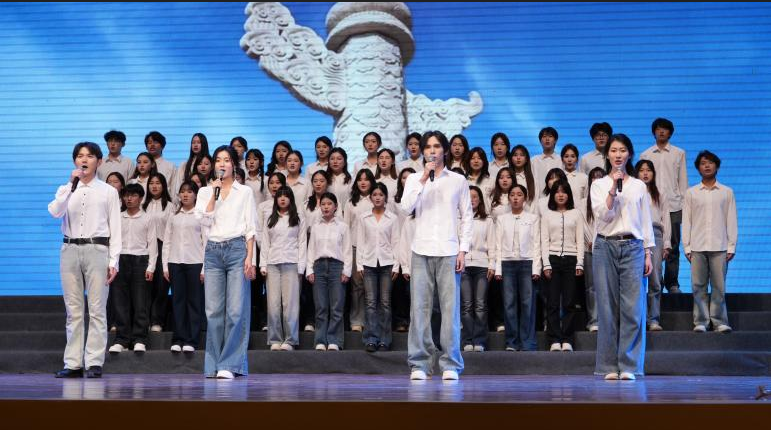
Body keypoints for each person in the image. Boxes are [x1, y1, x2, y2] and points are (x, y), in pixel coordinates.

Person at [400, 130, 473, 381]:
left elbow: (467, 216)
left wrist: (463, 249)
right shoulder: (414, 179)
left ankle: (450, 362)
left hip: (449, 250)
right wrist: (422, 179)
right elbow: (406, 208)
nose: (432, 150)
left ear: (445, 150)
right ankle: (419, 363)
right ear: (423, 151)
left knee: (450, 311)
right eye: (428, 147)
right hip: (421, 249)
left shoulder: (457, 180)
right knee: (419, 310)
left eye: (437, 146)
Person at [48, 142, 121, 378]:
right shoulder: (67, 189)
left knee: (97, 309)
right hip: (69, 248)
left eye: (89, 156)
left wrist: (114, 261)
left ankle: (94, 362)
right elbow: (55, 212)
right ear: (75, 161)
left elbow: (116, 228)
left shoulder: (108, 191)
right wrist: (71, 185)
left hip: (97, 249)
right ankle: (73, 363)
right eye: (80, 156)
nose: (84, 160)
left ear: (98, 161)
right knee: (73, 310)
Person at [590, 134, 654, 381]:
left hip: (634, 247)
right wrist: (612, 190)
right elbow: (603, 215)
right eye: (614, 150)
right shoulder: (599, 185)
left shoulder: (638, 185)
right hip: (605, 246)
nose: (618, 154)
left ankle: (629, 365)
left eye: (623, 150)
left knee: (633, 308)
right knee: (607, 308)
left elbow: (645, 221)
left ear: (629, 154)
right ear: (607, 155)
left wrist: (648, 252)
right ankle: (608, 365)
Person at [194, 145, 257, 379]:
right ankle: (214, 365)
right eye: (218, 160)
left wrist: (250, 257)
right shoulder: (205, 191)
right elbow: (203, 221)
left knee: (235, 310)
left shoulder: (245, 192)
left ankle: (230, 364)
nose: (222, 164)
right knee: (213, 311)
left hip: (237, 249)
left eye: (227, 160)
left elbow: (250, 228)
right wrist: (214, 193)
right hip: (213, 250)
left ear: (234, 164)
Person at [683, 151, 737, 333]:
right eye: (703, 163)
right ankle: (701, 321)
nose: (707, 166)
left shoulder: (727, 192)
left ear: (717, 166)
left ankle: (719, 321)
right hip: (697, 246)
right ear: (698, 168)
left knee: (719, 286)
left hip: (720, 246)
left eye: (710, 162)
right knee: (698, 286)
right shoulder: (691, 193)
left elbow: (731, 219)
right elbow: (687, 220)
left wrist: (731, 245)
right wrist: (687, 246)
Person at [640, 118, 687, 294]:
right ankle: (656, 281)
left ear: (670, 133)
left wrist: (684, 206)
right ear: (654, 132)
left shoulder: (679, 153)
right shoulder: (646, 154)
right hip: (651, 205)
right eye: (658, 129)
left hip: (674, 205)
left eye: (665, 129)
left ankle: (672, 283)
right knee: (652, 247)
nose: (661, 132)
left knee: (673, 246)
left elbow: (683, 181)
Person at [108, 184, 157, 354]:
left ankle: (139, 339)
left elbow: (152, 244)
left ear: (141, 198)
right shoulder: (117, 217)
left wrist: (151, 267)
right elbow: (111, 241)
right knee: (120, 302)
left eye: (133, 195)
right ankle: (121, 339)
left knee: (140, 302)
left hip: (140, 260)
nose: (129, 199)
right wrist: (111, 263)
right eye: (126, 195)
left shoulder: (148, 218)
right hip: (120, 260)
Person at [495, 185, 541, 352]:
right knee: (509, 304)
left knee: (528, 303)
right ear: (508, 198)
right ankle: (511, 342)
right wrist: (498, 269)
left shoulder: (533, 218)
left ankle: (527, 343)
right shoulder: (502, 219)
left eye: (519, 195)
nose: (515, 198)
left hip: (527, 263)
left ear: (525, 198)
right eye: (512, 195)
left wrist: (536, 268)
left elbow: (536, 243)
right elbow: (498, 244)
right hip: (507, 263)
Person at [163, 180, 207, 353]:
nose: (185, 194)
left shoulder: (200, 216)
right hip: (175, 263)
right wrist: (165, 266)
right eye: (182, 191)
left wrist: (204, 268)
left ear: (196, 195)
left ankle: (191, 340)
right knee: (177, 301)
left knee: (194, 303)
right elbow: (167, 241)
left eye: (189, 191)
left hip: (195, 262)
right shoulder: (174, 216)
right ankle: (178, 338)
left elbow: (206, 242)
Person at [541, 180, 584, 352]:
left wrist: (580, 262)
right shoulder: (547, 215)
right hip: (552, 260)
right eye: (557, 192)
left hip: (571, 260)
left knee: (569, 302)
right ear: (552, 195)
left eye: (564, 192)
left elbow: (580, 240)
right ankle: (554, 339)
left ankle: (567, 339)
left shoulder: (576, 214)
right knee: (552, 302)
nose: (560, 195)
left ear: (569, 195)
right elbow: (544, 241)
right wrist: (546, 264)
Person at [356, 183, 400, 352]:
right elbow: (360, 241)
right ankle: (371, 339)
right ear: (370, 197)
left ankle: (384, 340)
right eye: (374, 194)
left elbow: (396, 242)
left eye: (381, 194)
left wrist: (396, 265)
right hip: (368, 263)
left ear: (385, 197)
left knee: (385, 303)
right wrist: (359, 263)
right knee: (370, 303)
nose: (377, 197)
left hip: (387, 263)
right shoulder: (364, 217)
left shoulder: (392, 218)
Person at [306, 192, 352, 351]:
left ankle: (334, 340)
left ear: (336, 206)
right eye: (323, 204)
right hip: (319, 266)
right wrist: (309, 269)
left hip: (336, 266)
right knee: (321, 307)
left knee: (337, 306)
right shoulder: (316, 227)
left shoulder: (343, 226)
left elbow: (347, 250)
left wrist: (346, 271)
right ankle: (320, 340)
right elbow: (311, 249)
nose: (326, 207)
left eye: (329, 204)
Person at [634, 160, 671, 331]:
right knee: (636, 279)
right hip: (636, 235)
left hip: (655, 234)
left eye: (648, 170)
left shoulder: (660, 193)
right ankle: (638, 319)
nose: (645, 173)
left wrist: (666, 243)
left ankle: (653, 319)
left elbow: (666, 219)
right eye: (641, 170)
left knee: (655, 278)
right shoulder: (632, 192)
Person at [461, 186, 495, 352]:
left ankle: (480, 341)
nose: (472, 200)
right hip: (463, 266)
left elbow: (492, 244)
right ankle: (468, 340)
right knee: (467, 305)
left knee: (480, 304)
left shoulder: (487, 220)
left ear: (480, 199)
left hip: (482, 265)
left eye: (475, 197)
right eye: (468, 197)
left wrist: (492, 264)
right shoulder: (459, 219)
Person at [531, 127, 563, 193]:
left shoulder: (561, 160)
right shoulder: (534, 160)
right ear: (540, 141)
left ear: (555, 140)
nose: (547, 139)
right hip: (539, 197)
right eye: (544, 136)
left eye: (550, 136)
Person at [144, 131, 176, 196]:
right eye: (149, 143)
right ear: (146, 147)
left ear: (162, 146)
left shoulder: (170, 166)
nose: (152, 145)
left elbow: (174, 189)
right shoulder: (141, 166)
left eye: (155, 142)